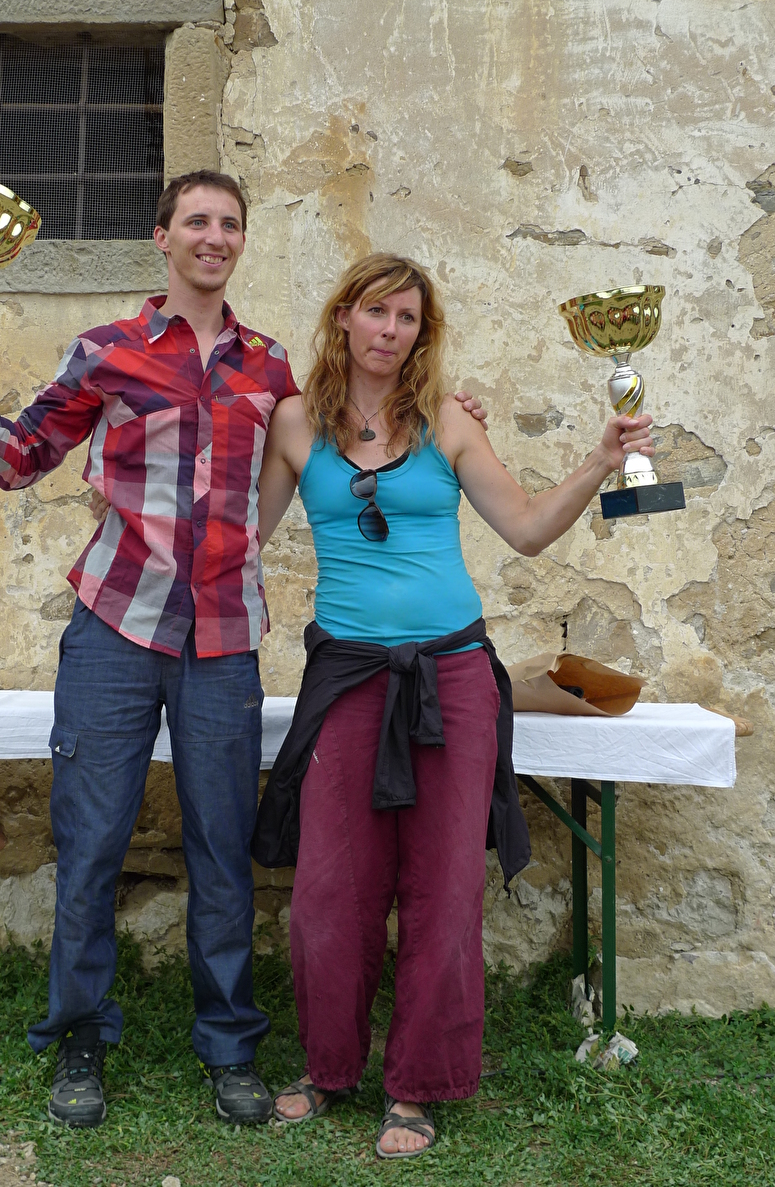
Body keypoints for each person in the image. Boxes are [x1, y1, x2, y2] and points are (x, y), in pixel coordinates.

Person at [0, 173, 489, 1131]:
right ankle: (79, 1039)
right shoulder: (107, 353)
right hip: (114, 630)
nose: (214, 238)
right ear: (162, 236)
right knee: (90, 844)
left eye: (230, 225)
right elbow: (18, 460)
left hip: (221, 639)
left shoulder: (271, 368)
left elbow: (354, 435)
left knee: (221, 849)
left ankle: (228, 1046)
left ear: (240, 243)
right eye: (197, 222)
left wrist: (451, 413)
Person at [251, 253, 654, 1159]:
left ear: (420, 334)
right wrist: (129, 505)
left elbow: (525, 529)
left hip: (455, 676)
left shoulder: (447, 424)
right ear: (343, 318)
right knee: (327, 890)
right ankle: (325, 1067)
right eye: (375, 312)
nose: (389, 331)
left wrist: (600, 458)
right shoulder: (290, 424)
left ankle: (419, 1087)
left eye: (407, 319)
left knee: (441, 888)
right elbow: (241, 539)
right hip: (348, 678)